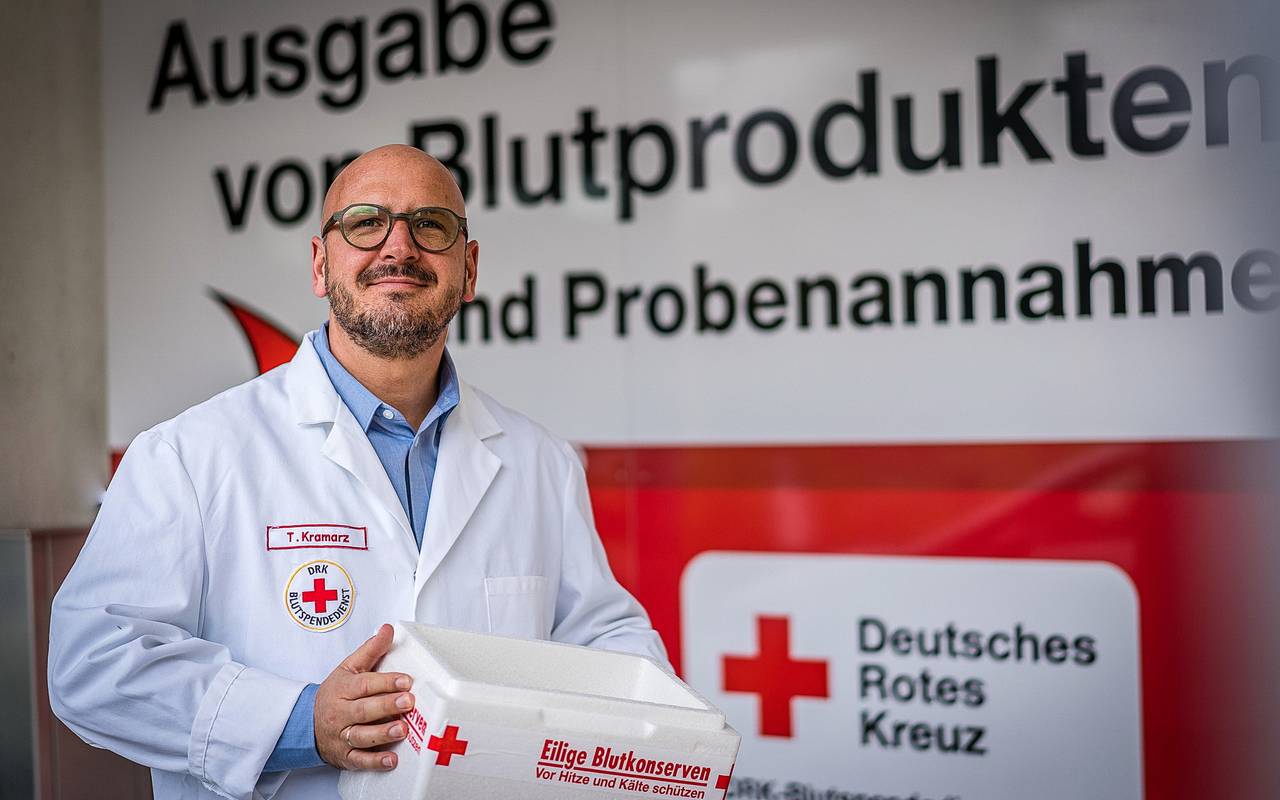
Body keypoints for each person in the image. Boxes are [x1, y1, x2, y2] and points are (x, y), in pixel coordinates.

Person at [48, 144, 668, 800]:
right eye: (366, 223)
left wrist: (669, 733)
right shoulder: (191, 454)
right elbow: (95, 660)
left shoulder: (541, 462)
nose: (399, 247)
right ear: (321, 265)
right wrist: (297, 721)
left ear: (469, 269)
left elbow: (601, 636)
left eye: (430, 225)